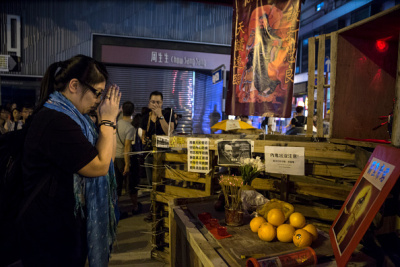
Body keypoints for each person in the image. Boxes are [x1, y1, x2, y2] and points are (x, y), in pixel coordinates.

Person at [19, 55, 121, 266]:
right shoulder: (57, 121)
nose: (98, 101)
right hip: (49, 235)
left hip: (57, 229)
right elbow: (99, 166)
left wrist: (105, 123)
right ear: (74, 85)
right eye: (97, 93)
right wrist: (108, 121)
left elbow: (102, 158)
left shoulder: (74, 118)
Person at [140, 91, 175, 186]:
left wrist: (160, 116)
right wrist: (143, 139)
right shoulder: (145, 117)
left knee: (165, 182)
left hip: (165, 154)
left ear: (162, 103)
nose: (155, 104)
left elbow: (169, 132)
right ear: (149, 102)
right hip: (150, 154)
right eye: (153, 102)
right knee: (152, 183)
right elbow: (143, 134)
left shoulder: (168, 114)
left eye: (158, 102)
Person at [115, 101, 142, 216]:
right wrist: (127, 164)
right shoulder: (130, 128)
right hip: (123, 159)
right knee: (131, 185)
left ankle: (116, 210)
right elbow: (127, 147)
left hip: (115, 158)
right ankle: (135, 207)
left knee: (116, 186)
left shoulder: (116, 124)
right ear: (133, 111)